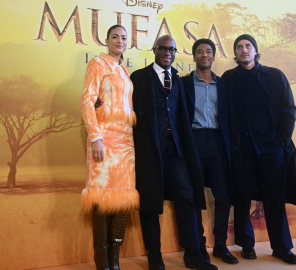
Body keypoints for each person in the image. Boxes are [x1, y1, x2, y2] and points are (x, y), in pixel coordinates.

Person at [221, 34, 296, 264]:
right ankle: (247, 245)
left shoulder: (274, 76)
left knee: (274, 198)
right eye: (239, 47)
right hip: (241, 151)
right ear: (235, 53)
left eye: (248, 46)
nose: (244, 50)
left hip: (271, 150)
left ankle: (281, 248)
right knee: (242, 199)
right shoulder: (228, 79)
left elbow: (288, 109)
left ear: (255, 50)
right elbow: (222, 113)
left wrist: (281, 141)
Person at [130, 35, 218, 270]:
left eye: (172, 49)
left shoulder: (178, 80)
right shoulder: (139, 78)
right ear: (154, 50)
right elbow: (124, 108)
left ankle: (192, 254)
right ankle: (155, 256)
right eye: (163, 48)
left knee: (186, 199)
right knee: (150, 203)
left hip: (175, 150)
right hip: (149, 150)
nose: (168, 52)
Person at [80, 25, 139, 270]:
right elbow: (87, 101)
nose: (119, 40)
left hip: (125, 141)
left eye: (124, 37)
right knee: (102, 200)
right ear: (106, 40)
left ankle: (115, 262)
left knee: (122, 199)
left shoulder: (125, 70)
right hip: (104, 138)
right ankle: (102, 262)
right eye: (115, 36)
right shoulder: (98, 63)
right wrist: (96, 138)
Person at [181, 39, 238, 264]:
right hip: (193, 142)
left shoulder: (224, 86)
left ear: (213, 56)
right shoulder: (183, 84)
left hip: (218, 142)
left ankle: (221, 246)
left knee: (223, 196)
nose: (204, 55)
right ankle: (199, 246)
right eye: (199, 52)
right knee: (194, 196)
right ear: (194, 56)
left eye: (208, 51)